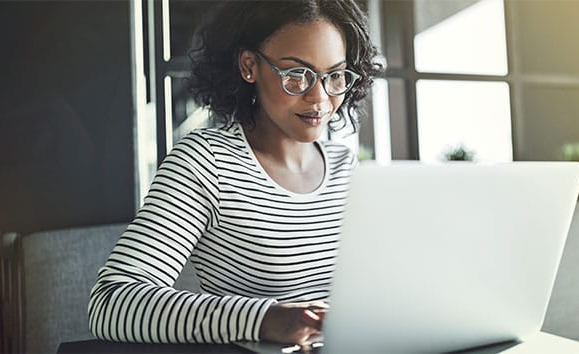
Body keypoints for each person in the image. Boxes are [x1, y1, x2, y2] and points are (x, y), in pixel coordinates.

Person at [87, 0, 382, 346]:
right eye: (296, 75)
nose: (319, 98)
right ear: (249, 66)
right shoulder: (205, 162)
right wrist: (265, 319)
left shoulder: (345, 166)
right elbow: (110, 302)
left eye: (334, 76)